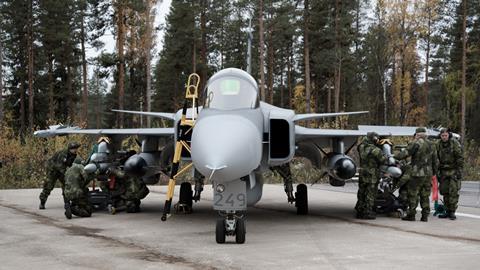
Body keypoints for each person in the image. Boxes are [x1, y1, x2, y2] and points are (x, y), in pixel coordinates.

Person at [395, 127, 438, 222]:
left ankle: (412, 215)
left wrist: (394, 156)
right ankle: (425, 216)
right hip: (428, 173)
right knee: (425, 195)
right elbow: (435, 160)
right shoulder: (432, 144)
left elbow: (405, 153)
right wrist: (434, 172)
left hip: (417, 173)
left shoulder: (416, 143)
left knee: (413, 194)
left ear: (417, 134)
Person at [355, 132, 388, 219]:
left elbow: (361, 146)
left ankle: (360, 211)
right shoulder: (375, 150)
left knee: (361, 192)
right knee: (370, 193)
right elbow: (383, 159)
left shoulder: (361, 147)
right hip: (372, 174)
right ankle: (367, 212)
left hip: (363, 173)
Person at [39, 141, 81, 209]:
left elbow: (74, 163)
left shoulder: (74, 155)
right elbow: (60, 166)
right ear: (70, 149)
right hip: (53, 170)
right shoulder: (63, 154)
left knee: (66, 185)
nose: (75, 150)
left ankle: (67, 203)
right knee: (48, 186)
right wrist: (67, 174)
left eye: (76, 148)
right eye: (74, 148)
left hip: (62, 170)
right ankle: (42, 202)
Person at [436, 128, 463, 220]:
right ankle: (447, 211)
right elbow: (435, 157)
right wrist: (437, 171)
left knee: (453, 192)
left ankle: (452, 211)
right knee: (444, 191)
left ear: (449, 135)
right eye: (442, 135)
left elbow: (459, 157)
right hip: (443, 171)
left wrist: (459, 171)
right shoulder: (438, 144)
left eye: (446, 135)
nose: (444, 137)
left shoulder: (454, 143)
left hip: (453, 170)